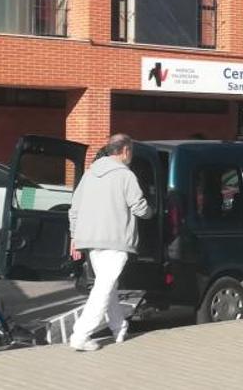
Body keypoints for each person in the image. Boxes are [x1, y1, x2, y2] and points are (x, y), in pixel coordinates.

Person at [67, 134, 154, 352]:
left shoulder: (89, 174)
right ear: (125, 150)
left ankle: (119, 327)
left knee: (107, 286)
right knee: (103, 288)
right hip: (116, 241)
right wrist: (152, 212)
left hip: (91, 241)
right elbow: (139, 207)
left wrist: (74, 237)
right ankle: (80, 335)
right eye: (131, 152)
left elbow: (74, 208)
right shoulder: (126, 176)